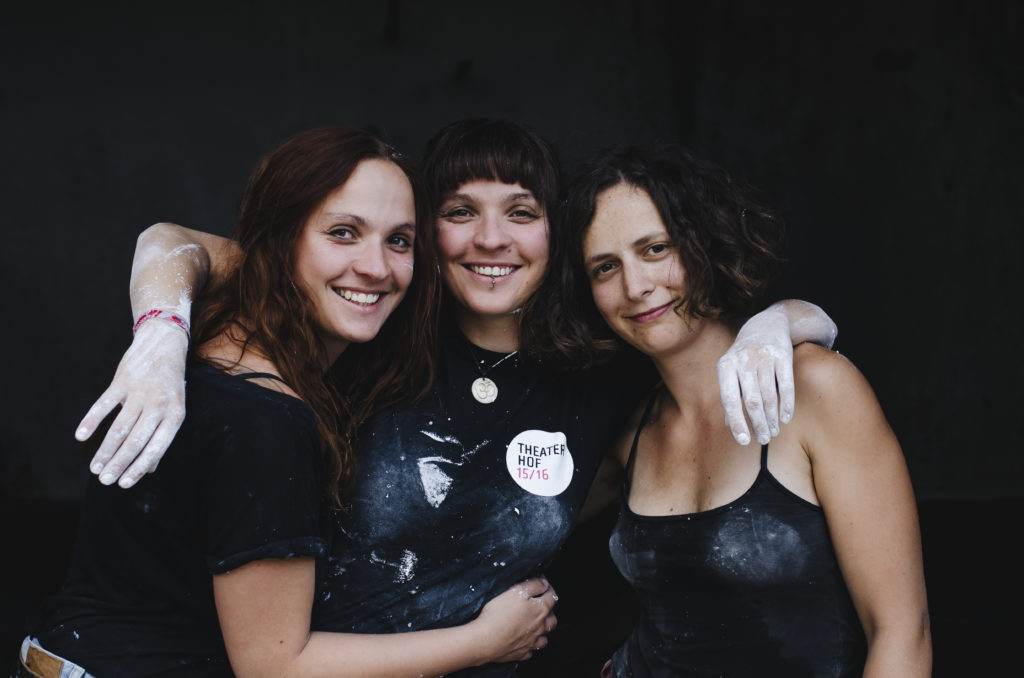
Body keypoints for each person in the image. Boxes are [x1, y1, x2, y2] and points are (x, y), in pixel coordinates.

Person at [70, 119, 837, 677]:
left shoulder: (602, 377)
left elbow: (701, 360)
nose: (491, 239)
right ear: (426, 233)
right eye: (460, 212)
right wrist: (161, 333)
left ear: (556, 239)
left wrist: (789, 321)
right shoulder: (368, 320)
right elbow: (181, 243)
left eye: (523, 213)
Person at [16, 126, 559, 678]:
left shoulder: (228, 327)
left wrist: (166, 323)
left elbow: (173, 241)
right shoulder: (267, 418)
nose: (375, 266)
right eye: (344, 233)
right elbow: (275, 667)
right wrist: (484, 640)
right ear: (281, 241)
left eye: (398, 240)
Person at [560, 144, 931, 677]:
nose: (635, 287)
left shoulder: (819, 391)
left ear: (702, 243)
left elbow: (902, 636)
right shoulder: (630, 434)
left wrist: (787, 317)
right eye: (605, 267)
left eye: (656, 248)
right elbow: (510, 530)